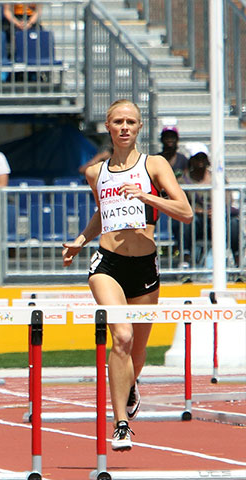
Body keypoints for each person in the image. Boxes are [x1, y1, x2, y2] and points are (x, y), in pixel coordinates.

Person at [62, 99, 193, 451]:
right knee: (121, 336)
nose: (124, 127)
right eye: (118, 121)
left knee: (137, 348)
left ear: (139, 127)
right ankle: (121, 423)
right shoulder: (96, 173)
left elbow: (185, 212)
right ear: (108, 126)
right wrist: (80, 240)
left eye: (130, 122)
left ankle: (130, 383)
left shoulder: (154, 165)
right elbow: (102, 213)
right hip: (107, 265)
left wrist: (148, 198)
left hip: (145, 266)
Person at [175, 151, 241, 267]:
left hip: (218, 219)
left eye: (203, 158)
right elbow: (180, 203)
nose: (200, 162)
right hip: (197, 219)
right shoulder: (183, 181)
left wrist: (218, 211)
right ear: (191, 160)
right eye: (197, 158)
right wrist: (200, 211)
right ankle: (185, 257)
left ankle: (238, 259)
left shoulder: (219, 178)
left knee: (234, 223)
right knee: (186, 222)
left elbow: (228, 198)